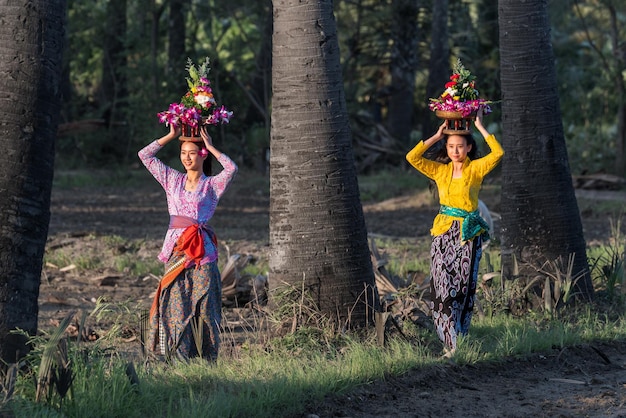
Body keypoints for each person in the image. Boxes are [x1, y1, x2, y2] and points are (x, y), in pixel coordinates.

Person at [405, 110, 504, 356]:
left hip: (467, 234)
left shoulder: (476, 169)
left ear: (469, 147)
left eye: (460, 146)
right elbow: (412, 157)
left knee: (462, 287)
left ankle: (458, 338)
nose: (455, 151)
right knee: (440, 285)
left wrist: (480, 127)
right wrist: (436, 136)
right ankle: (450, 341)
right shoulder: (440, 171)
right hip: (443, 232)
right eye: (450, 146)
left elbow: (498, 153)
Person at [138, 124, 238, 361]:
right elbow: (144, 155)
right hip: (177, 249)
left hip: (203, 251)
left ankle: (205, 358)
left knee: (205, 304)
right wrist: (171, 136)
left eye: (192, 152)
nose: (186, 158)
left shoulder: (211, 185)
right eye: (183, 153)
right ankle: (175, 356)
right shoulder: (171, 179)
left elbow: (231, 168)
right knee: (175, 302)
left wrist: (211, 147)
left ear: (201, 154)